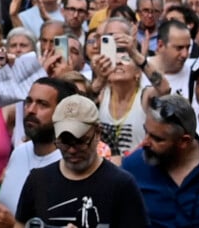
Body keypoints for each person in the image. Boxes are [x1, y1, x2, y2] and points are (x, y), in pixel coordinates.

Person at [14, 95, 148, 228]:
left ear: (97, 133)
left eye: (80, 141)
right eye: (64, 141)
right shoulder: (38, 180)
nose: (72, 150)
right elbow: (20, 224)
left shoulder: (121, 184)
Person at [123, 94, 199, 228]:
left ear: (184, 141)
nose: (145, 143)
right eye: (146, 132)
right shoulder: (132, 168)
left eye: (157, 139)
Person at [0, 78, 78, 228]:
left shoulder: (70, 165)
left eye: (42, 104)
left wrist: (12, 225)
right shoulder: (18, 153)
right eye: (29, 101)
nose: (31, 109)